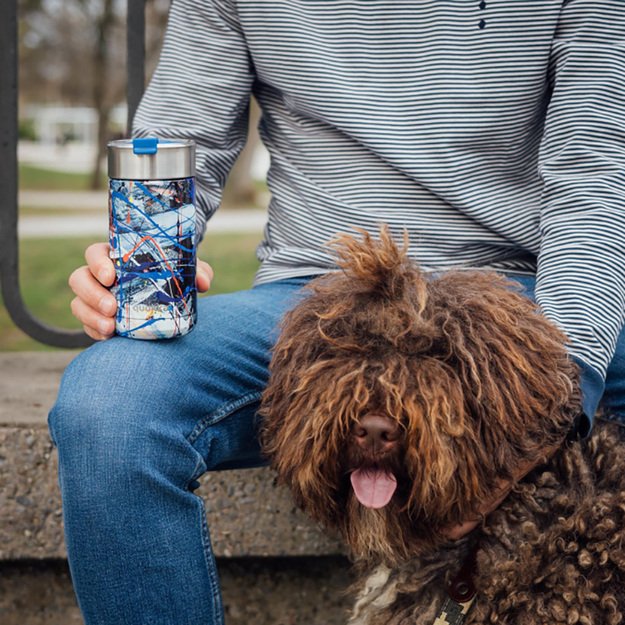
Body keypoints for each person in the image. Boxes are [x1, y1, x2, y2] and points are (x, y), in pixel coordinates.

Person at [49, 1, 625, 624]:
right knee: (109, 402)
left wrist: (551, 403)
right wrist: (135, 263)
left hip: (520, 294)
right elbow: (176, 144)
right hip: (316, 296)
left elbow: (592, 183)